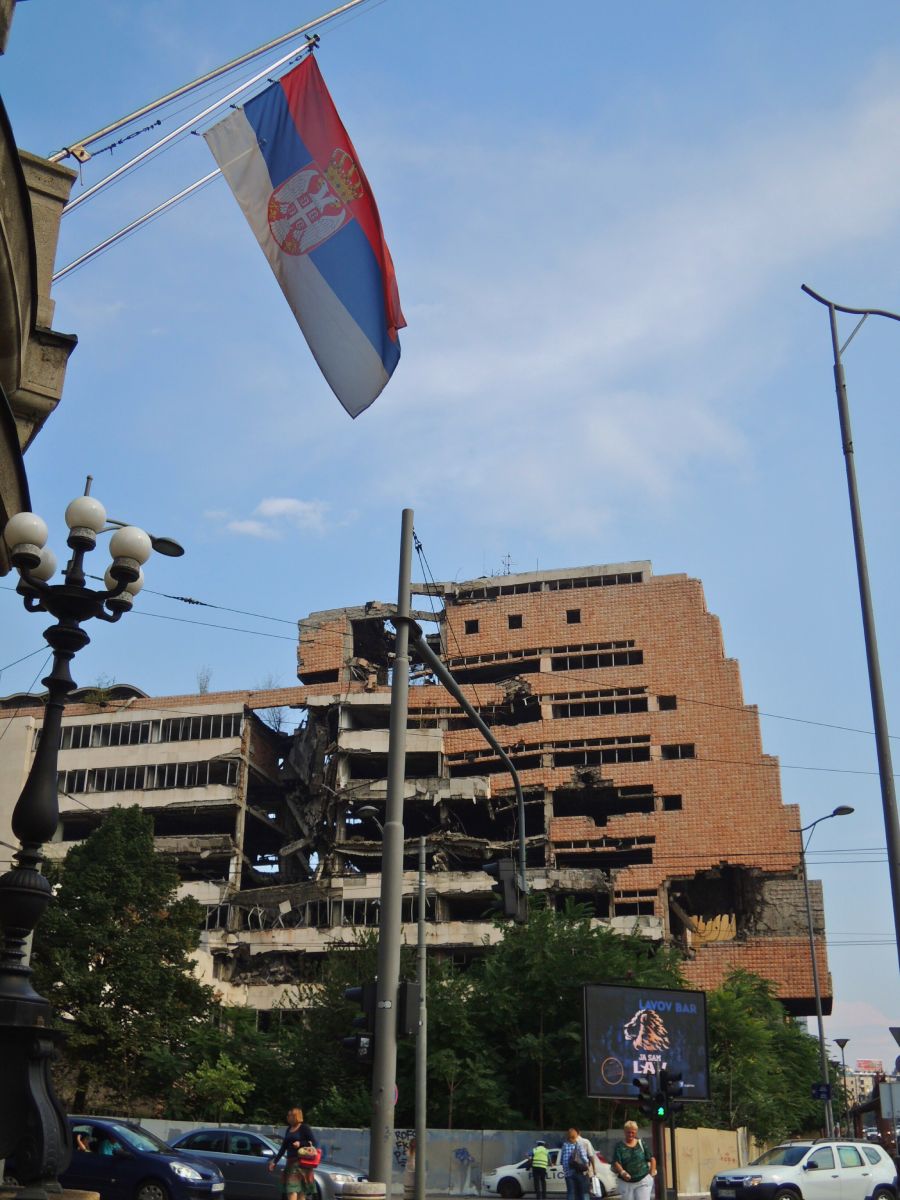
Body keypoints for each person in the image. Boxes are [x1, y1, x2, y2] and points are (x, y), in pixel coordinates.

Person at [268, 1107, 319, 1200]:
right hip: (291, 1163)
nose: (287, 1117)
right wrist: (275, 1161)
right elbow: (283, 1147)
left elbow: (314, 1143)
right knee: (291, 1189)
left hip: (303, 1164)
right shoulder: (289, 1129)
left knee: (301, 1191)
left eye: (289, 1115)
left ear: (295, 1116)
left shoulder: (304, 1128)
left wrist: (301, 1143)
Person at [612, 1121, 656, 1200]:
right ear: (624, 1132)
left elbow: (652, 1158)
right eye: (628, 1132)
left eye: (633, 1132)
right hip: (626, 1183)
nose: (630, 1134)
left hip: (643, 1180)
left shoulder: (641, 1143)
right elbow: (616, 1162)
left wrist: (652, 1173)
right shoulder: (619, 1146)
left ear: (636, 1132)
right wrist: (622, 1172)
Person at [560, 1128, 590, 1200]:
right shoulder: (578, 1145)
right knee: (582, 1192)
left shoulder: (564, 1146)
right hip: (578, 1172)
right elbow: (584, 1158)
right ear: (575, 1137)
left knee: (570, 1192)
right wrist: (587, 1166)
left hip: (567, 1173)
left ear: (568, 1137)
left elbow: (561, 1160)